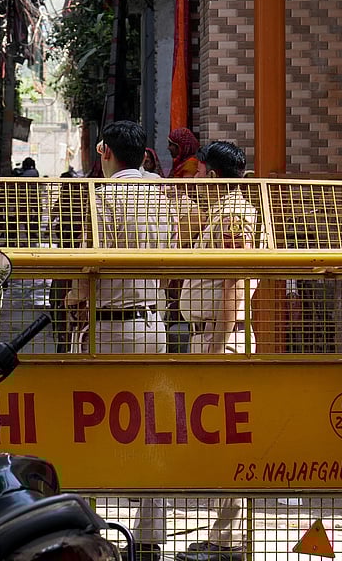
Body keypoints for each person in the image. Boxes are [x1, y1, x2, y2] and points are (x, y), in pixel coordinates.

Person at [68, 120, 173, 561]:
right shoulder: (162, 193)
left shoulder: (101, 196)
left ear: (105, 152)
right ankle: (150, 537)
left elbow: (89, 260)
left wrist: (75, 299)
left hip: (108, 327)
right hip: (153, 323)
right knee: (153, 429)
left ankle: (89, 529)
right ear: (144, 154)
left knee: (88, 428)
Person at [175, 141, 264, 561]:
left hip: (222, 337)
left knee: (228, 439)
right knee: (220, 438)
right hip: (215, 334)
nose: (193, 179)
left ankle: (229, 539)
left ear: (212, 174)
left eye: (198, 172)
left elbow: (232, 281)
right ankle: (224, 534)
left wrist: (217, 343)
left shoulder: (232, 213)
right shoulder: (223, 210)